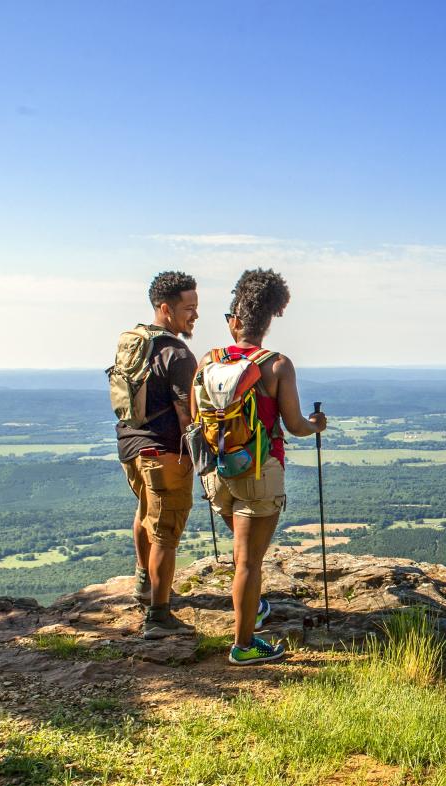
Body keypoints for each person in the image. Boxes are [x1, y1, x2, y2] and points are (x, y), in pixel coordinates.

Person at [196, 269, 326, 665]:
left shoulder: (209, 360)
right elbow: (295, 426)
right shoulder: (276, 365)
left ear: (235, 321)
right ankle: (244, 645)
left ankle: (254, 609)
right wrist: (317, 424)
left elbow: (195, 419)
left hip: (217, 472)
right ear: (268, 322)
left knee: (241, 554)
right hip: (259, 472)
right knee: (250, 561)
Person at [116, 271, 199, 640]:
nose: (194, 316)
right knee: (166, 531)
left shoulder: (136, 343)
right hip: (164, 451)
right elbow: (187, 415)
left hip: (130, 447)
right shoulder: (178, 353)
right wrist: (201, 454)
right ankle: (159, 616)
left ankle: (144, 583)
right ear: (165, 308)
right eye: (189, 308)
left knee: (145, 514)